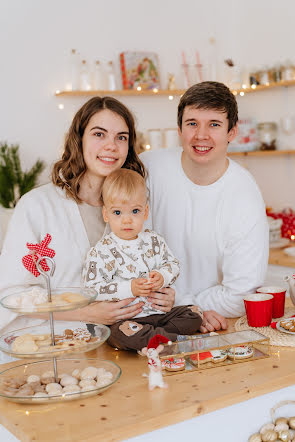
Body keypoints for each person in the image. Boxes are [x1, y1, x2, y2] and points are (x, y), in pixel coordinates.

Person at [0, 96, 175, 333]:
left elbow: (151, 266)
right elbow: (13, 294)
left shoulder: (138, 206)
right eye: (99, 134)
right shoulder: (37, 206)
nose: (111, 146)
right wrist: (85, 313)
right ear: (79, 139)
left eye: (121, 137)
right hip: (59, 345)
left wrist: (162, 293)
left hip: (127, 343)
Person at [141, 81, 269, 333]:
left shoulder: (245, 195)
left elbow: (241, 295)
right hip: (142, 316)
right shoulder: (149, 169)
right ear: (179, 128)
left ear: (232, 132)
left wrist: (188, 309)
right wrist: (192, 309)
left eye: (214, 124)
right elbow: (122, 247)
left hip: (208, 326)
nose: (201, 135)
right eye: (192, 123)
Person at [82, 169, 203, 351]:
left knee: (195, 314)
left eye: (135, 211)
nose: (127, 220)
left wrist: (162, 276)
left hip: (160, 313)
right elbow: (92, 289)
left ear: (145, 212)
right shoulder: (101, 250)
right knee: (119, 334)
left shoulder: (154, 240)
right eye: (117, 213)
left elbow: (173, 265)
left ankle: (157, 337)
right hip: (126, 319)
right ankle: (172, 340)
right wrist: (129, 288)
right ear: (105, 214)